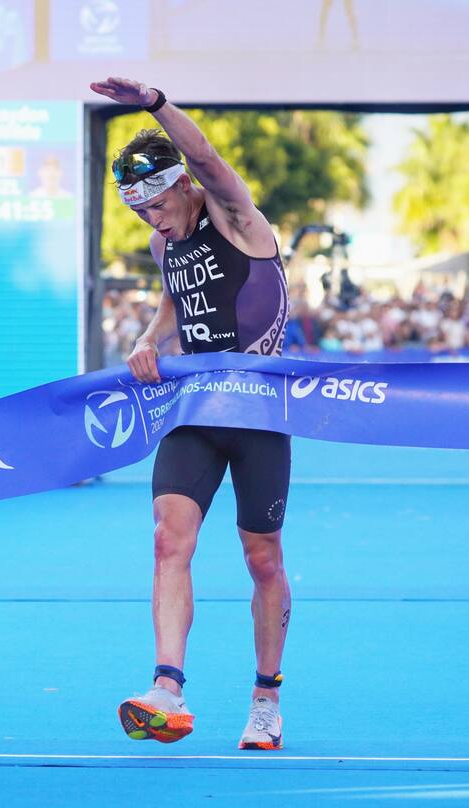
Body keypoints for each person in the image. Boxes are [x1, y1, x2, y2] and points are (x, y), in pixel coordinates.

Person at [91, 76, 291, 750]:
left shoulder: (237, 217)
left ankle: (266, 699)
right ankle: (167, 688)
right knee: (167, 539)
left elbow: (206, 157)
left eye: (157, 203)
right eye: (138, 211)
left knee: (261, 558)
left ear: (182, 185)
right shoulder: (162, 243)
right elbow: (174, 301)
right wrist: (150, 338)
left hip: (260, 410)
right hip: (197, 409)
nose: (152, 219)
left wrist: (153, 102)